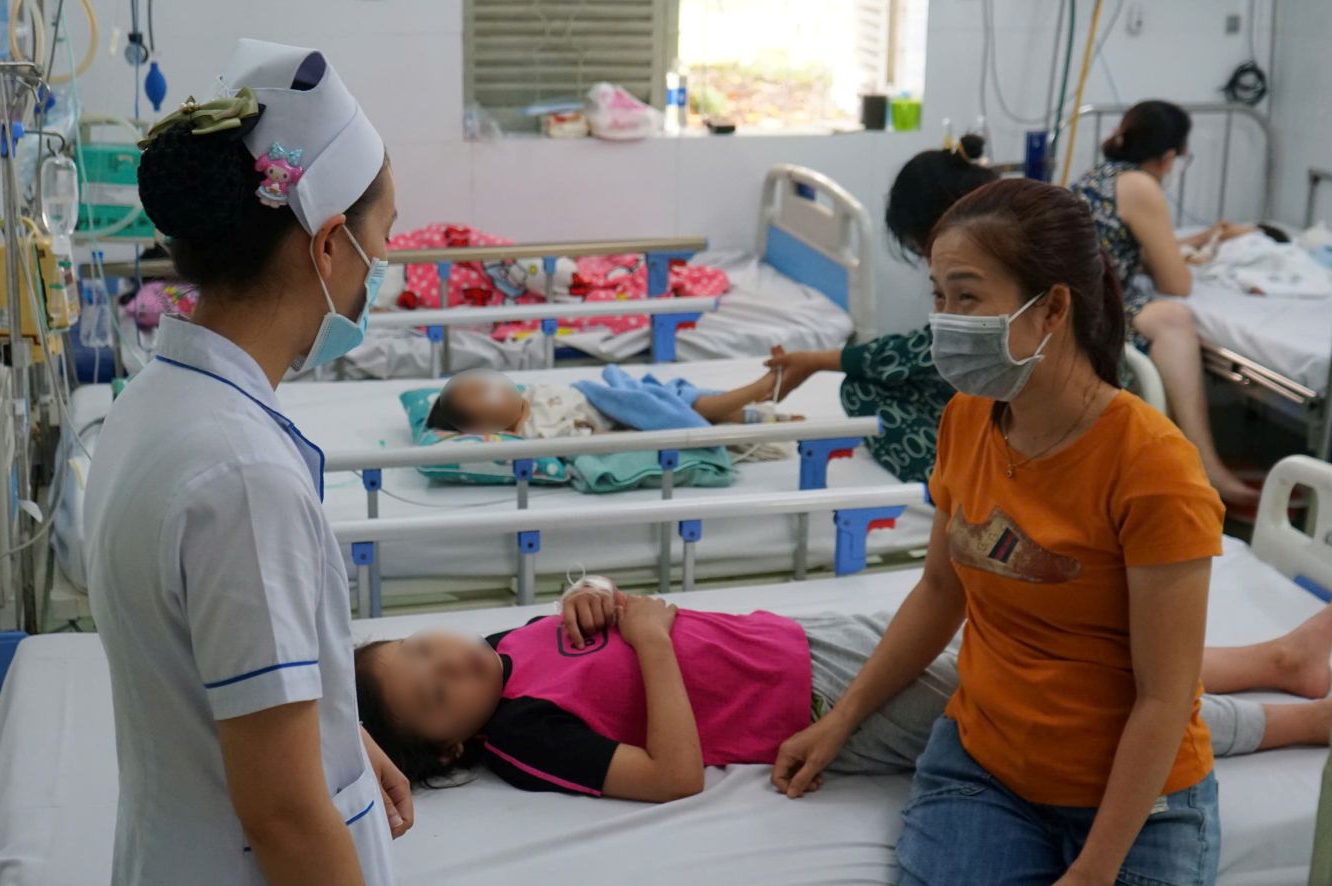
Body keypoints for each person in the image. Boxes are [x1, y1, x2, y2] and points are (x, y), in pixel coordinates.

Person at [770, 177, 1227, 885]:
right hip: (984, 769)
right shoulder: (968, 418)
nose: (945, 321)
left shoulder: (1151, 464)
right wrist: (843, 718)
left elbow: (1164, 698)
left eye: (968, 296)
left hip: (1136, 798)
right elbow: (937, 589)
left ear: (1051, 309)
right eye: (937, 297)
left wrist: (1095, 870)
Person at [84, 40, 408, 885]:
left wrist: (341, 734)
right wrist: (314, 773)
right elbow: (285, 816)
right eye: (386, 238)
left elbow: (215, 675)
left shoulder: (153, 405)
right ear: (330, 246)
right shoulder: (241, 478)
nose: (387, 271)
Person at [350, 576, 1332, 802]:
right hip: (813, 710)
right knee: (1069, 704)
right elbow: (673, 775)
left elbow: (580, 629)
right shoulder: (520, 736)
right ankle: (1297, 720)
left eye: (425, 652)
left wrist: (591, 592)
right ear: (449, 749)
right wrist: (648, 636)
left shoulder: (498, 646)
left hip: (797, 642)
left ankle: (1271, 657)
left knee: (1053, 648)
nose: (451, 667)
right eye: (435, 696)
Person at [763, 138, 997, 483]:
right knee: (863, 386)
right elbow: (926, 346)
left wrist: (817, 361)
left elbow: (924, 350)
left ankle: (953, 482)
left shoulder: (991, 269)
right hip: (980, 397)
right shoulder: (990, 249)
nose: (921, 254)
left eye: (919, 245)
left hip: (1003, 412)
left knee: (861, 388)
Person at [1072, 99, 1259, 505]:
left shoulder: (1102, 175)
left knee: (1166, 315)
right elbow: (1177, 282)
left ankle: (1191, 465)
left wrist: (1198, 238)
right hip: (1092, 307)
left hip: (1076, 296)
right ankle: (1206, 466)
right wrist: (1184, 257)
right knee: (1173, 317)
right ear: (1170, 155)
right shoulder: (1140, 185)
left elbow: (1120, 244)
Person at [424, 353, 808, 438]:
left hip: (621, 395)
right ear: (482, 424)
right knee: (689, 408)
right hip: (625, 415)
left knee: (681, 397)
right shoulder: (531, 435)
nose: (487, 384)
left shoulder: (531, 392)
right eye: (477, 393)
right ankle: (759, 393)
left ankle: (757, 411)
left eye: (480, 379)